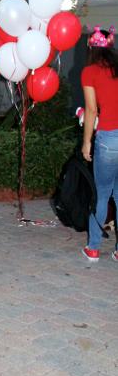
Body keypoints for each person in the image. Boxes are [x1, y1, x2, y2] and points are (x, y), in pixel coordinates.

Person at [81, 25, 118, 262]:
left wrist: (87, 142)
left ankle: (93, 248)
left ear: (90, 46)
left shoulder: (89, 71)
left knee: (102, 194)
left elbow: (92, 110)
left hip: (108, 138)